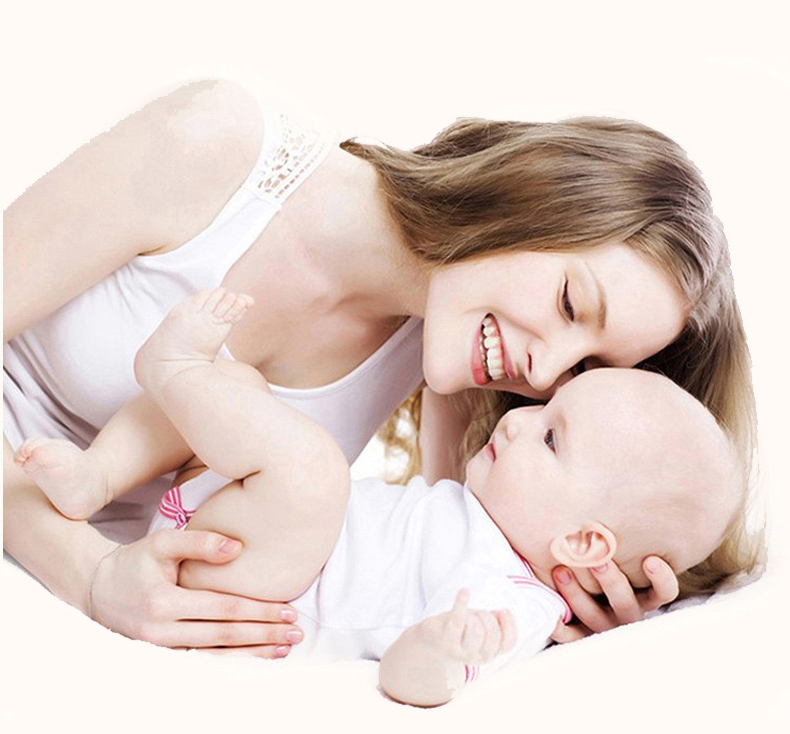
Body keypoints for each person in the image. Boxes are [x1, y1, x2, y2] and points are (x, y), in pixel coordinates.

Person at [3, 79, 758, 654]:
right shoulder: (218, 145)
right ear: (533, 196)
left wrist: (559, 606)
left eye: (585, 367)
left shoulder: (455, 362)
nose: (545, 372)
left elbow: (437, 566)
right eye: (569, 301)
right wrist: (86, 573)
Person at [15, 290, 746, 706]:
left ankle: (172, 366)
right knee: (243, 393)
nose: (518, 421)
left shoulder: (511, 603)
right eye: (543, 408)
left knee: (312, 470)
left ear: (584, 543)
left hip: (256, 602)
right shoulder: (479, 509)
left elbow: (414, 681)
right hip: (230, 536)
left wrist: (439, 652)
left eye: (551, 438)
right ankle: (96, 476)